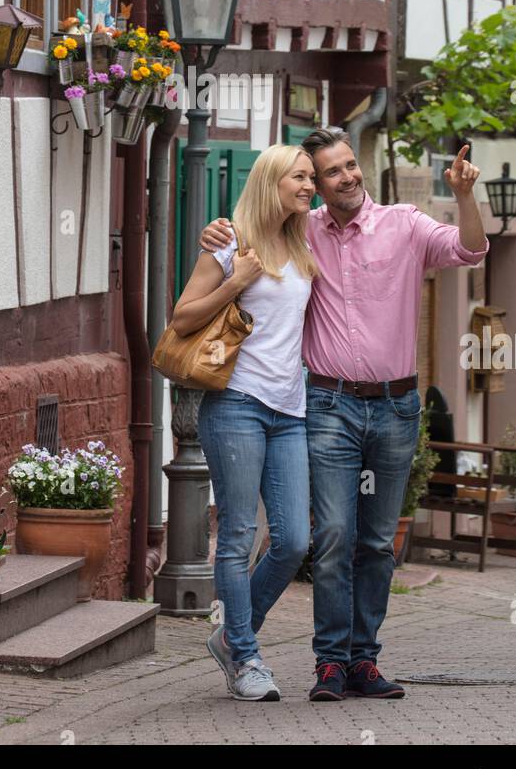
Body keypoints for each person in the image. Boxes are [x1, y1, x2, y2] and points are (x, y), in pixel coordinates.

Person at [201, 130, 488, 701]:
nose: (345, 177)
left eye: (349, 165)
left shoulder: (405, 223)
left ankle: (363, 660)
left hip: (397, 406)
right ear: (316, 185)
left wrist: (463, 197)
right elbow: (250, 228)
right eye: (329, 172)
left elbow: (471, 250)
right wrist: (216, 232)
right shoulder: (301, 230)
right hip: (328, 404)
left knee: (378, 542)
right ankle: (328, 662)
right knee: (329, 535)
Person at [171, 144, 320, 701]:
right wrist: (235, 280)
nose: (310, 185)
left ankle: (232, 638)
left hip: (290, 410)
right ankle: (246, 659)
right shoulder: (230, 239)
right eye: (300, 177)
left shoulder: (303, 240)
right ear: (271, 181)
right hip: (236, 403)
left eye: (311, 177)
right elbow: (183, 316)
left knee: (293, 540)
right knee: (236, 533)